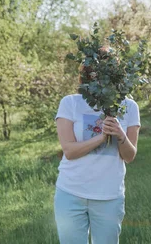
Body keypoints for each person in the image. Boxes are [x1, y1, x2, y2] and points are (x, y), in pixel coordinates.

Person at [54, 52, 140, 244]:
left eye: (109, 72)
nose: (101, 78)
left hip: (109, 196)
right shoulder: (70, 103)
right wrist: (101, 138)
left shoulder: (129, 107)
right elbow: (69, 151)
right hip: (71, 193)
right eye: (95, 72)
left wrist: (120, 134)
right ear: (87, 75)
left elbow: (129, 156)